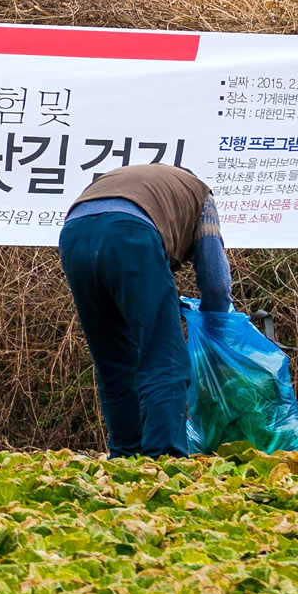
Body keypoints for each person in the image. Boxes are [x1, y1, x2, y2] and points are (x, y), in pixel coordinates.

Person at [56, 162, 234, 457]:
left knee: (113, 362)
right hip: (131, 233)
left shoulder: (134, 181)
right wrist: (215, 328)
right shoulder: (201, 195)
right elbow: (215, 281)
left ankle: (125, 457)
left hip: (74, 234)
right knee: (165, 357)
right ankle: (164, 460)